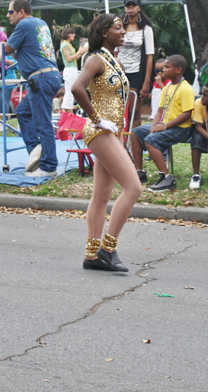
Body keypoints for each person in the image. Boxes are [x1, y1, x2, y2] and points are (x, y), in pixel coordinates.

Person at [71, 14, 142, 272]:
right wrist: (97, 119)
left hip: (113, 132)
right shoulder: (95, 59)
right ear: (103, 32)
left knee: (100, 196)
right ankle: (107, 249)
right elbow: (77, 88)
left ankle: (91, 255)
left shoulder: (115, 61)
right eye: (117, 28)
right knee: (134, 188)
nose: (122, 32)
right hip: (100, 131)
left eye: (122, 28)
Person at [3, 0, 60, 178]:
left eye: (10, 12)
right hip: (51, 75)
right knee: (23, 111)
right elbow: (29, 50)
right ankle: (36, 150)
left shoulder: (24, 24)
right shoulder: (40, 23)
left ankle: (49, 167)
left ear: (21, 12)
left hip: (40, 77)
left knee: (43, 123)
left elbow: (6, 48)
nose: (8, 16)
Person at [131, 54, 194, 192]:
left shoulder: (186, 88)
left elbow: (187, 114)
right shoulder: (167, 87)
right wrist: (154, 126)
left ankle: (167, 178)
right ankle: (139, 172)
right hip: (165, 125)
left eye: (167, 67)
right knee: (135, 133)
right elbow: (160, 111)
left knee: (150, 140)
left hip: (181, 128)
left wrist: (164, 126)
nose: (163, 70)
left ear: (178, 70)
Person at [118, 0, 154, 129]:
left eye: (133, 5)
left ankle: (133, 145)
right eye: (128, 6)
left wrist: (146, 81)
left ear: (139, 8)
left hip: (137, 72)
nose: (130, 8)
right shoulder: (119, 27)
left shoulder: (146, 29)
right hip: (120, 71)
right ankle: (120, 142)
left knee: (133, 110)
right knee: (120, 109)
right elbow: (115, 51)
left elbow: (149, 56)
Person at [59, 27, 88, 114]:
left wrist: (81, 52)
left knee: (70, 91)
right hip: (69, 69)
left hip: (73, 68)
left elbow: (74, 58)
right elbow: (68, 59)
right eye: (72, 33)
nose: (74, 35)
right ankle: (67, 111)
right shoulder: (64, 45)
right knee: (69, 91)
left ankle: (66, 111)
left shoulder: (68, 44)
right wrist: (80, 52)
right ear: (67, 34)